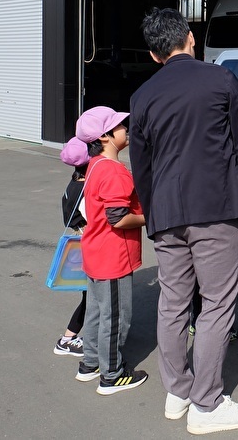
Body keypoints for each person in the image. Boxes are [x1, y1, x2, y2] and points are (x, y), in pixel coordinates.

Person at [128, 8, 238, 434]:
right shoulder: (221, 80)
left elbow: (141, 167)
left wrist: (152, 213)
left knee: (172, 302)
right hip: (216, 208)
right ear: (191, 37)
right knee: (218, 303)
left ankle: (178, 391)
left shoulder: (142, 96)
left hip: (166, 212)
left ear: (153, 54)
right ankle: (207, 404)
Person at [73, 107, 149, 395]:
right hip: (113, 255)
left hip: (95, 251)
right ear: (105, 136)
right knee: (116, 317)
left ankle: (90, 363)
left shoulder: (94, 165)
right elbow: (119, 217)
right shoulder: (115, 171)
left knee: (96, 311)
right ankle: (112, 374)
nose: (125, 129)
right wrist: (149, 217)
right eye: (119, 126)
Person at [53, 137, 91, 358]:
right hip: (89, 246)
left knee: (89, 297)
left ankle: (70, 337)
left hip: (79, 241)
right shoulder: (85, 187)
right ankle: (67, 339)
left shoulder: (73, 183)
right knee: (90, 298)